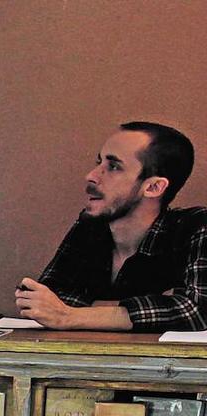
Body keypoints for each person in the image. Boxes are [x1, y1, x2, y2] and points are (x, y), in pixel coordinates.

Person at [17, 121, 207, 331]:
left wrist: (69, 316)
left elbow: (196, 311)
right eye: (99, 162)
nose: (91, 176)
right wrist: (138, 308)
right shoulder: (91, 226)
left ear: (153, 187)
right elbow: (41, 300)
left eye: (113, 166)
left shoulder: (194, 227)